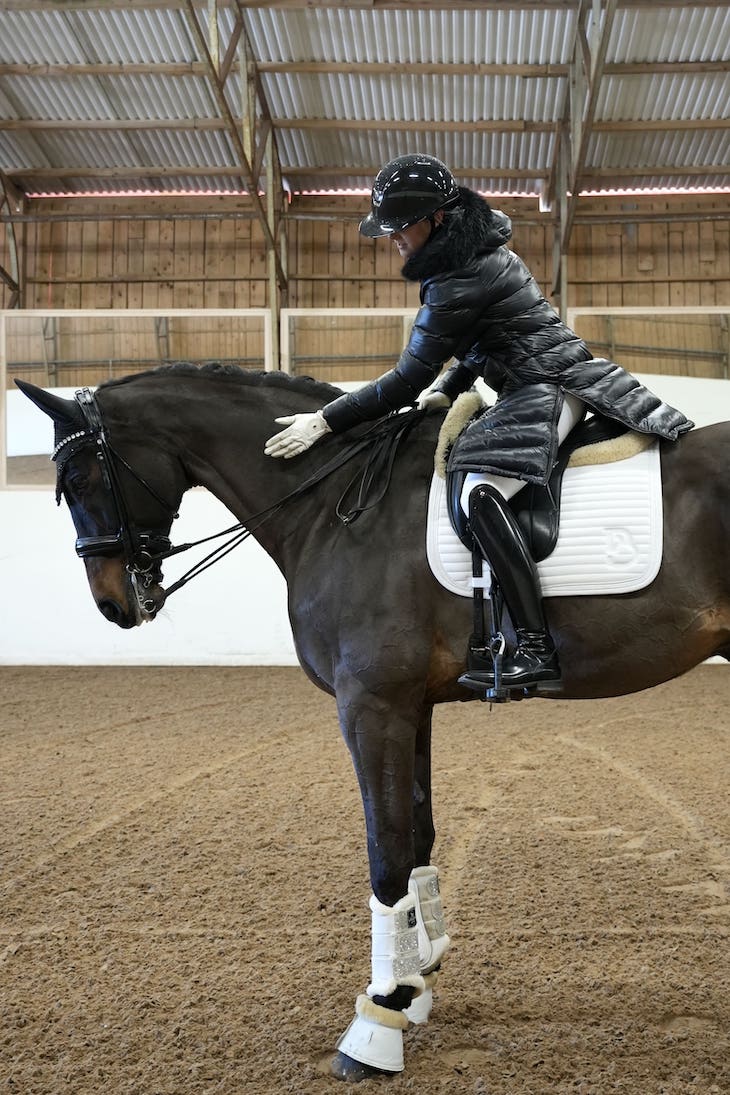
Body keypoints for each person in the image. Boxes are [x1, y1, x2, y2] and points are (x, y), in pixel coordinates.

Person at [264, 153, 693, 692]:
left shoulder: (460, 275)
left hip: (550, 387)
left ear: (438, 219)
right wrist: (446, 390)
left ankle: (534, 646)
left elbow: (402, 381)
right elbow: (478, 345)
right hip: (539, 381)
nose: (393, 238)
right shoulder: (469, 257)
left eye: (401, 228)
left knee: (481, 491)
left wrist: (325, 421)